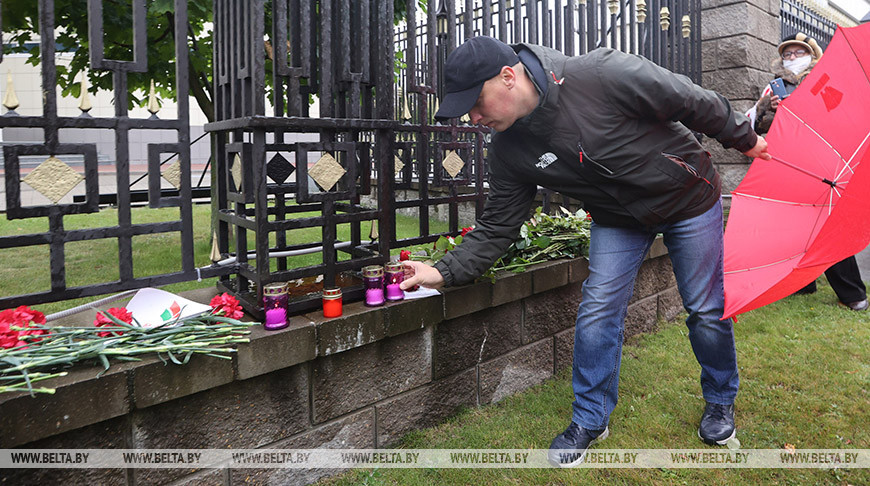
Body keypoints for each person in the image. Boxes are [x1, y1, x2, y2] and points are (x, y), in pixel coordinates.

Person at [399, 36, 769, 467]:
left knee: (704, 308)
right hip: (619, 219)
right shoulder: (508, 149)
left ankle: (721, 400)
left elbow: (686, 97)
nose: (474, 117)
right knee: (597, 311)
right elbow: (499, 224)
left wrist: (743, 139)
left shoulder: (600, 73)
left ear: (507, 77)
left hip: (687, 198)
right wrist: (443, 271)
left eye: (476, 103)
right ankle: (591, 418)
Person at [752, 33, 868, 311]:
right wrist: (770, 111)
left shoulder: (824, 79)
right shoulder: (773, 88)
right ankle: (803, 283)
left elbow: (838, 113)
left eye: (798, 52)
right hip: (790, 164)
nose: (792, 58)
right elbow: (756, 127)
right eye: (788, 54)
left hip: (822, 162)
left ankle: (852, 293)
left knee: (825, 227)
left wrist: (804, 104)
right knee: (795, 226)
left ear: (811, 54)